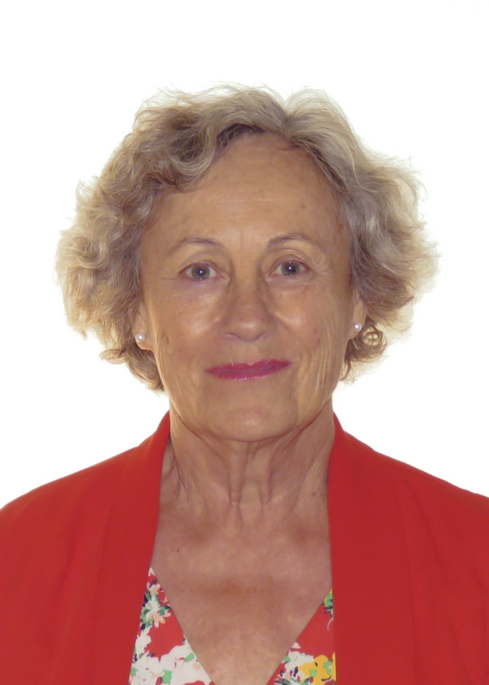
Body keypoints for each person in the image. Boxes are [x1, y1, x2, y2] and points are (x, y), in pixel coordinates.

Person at [1, 86, 488, 685]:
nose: (248, 318)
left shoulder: (477, 561)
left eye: (290, 267)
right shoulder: (16, 562)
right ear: (136, 310)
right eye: (200, 271)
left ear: (358, 297)